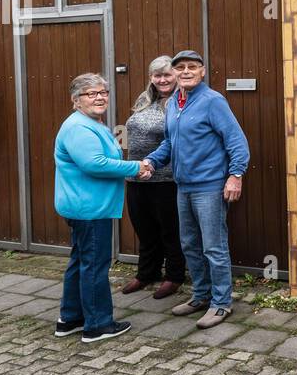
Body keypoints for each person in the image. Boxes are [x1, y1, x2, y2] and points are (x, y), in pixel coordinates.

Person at [141, 50, 249, 330]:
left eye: (192, 67)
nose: (185, 72)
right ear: (174, 73)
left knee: (214, 246)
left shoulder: (212, 101)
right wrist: (153, 160)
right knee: (189, 244)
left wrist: (235, 175)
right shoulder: (175, 103)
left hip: (210, 186)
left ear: (202, 72)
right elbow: (170, 142)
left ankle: (222, 303)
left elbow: (236, 140)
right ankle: (200, 296)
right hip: (183, 186)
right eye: (180, 68)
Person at [53, 72, 146, 344]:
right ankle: (97, 325)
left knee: (81, 262)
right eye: (91, 94)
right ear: (76, 100)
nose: (100, 97)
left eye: (103, 92)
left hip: (84, 206)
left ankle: (70, 319)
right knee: (94, 265)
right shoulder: (79, 127)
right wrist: (136, 167)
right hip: (90, 208)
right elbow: (95, 163)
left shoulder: (90, 123)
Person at [121, 55, 186, 299]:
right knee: (144, 229)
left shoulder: (181, 101)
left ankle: (174, 276)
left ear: (176, 76)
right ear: (151, 78)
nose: (162, 79)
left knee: (170, 231)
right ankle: (146, 273)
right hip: (137, 176)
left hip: (166, 179)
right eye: (157, 75)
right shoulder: (145, 99)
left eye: (167, 74)